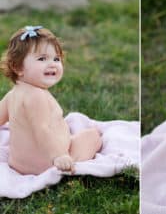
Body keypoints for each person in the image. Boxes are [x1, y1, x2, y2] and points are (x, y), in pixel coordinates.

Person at [0, 26, 102, 175]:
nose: (52, 64)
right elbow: (43, 129)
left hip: (18, 164)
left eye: (56, 58)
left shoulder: (13, 94)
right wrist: (59, 156)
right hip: (46, 163)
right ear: (18, 67)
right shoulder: (36, 96)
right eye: (42, 59)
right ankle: (69, 163)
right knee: (92, 136)